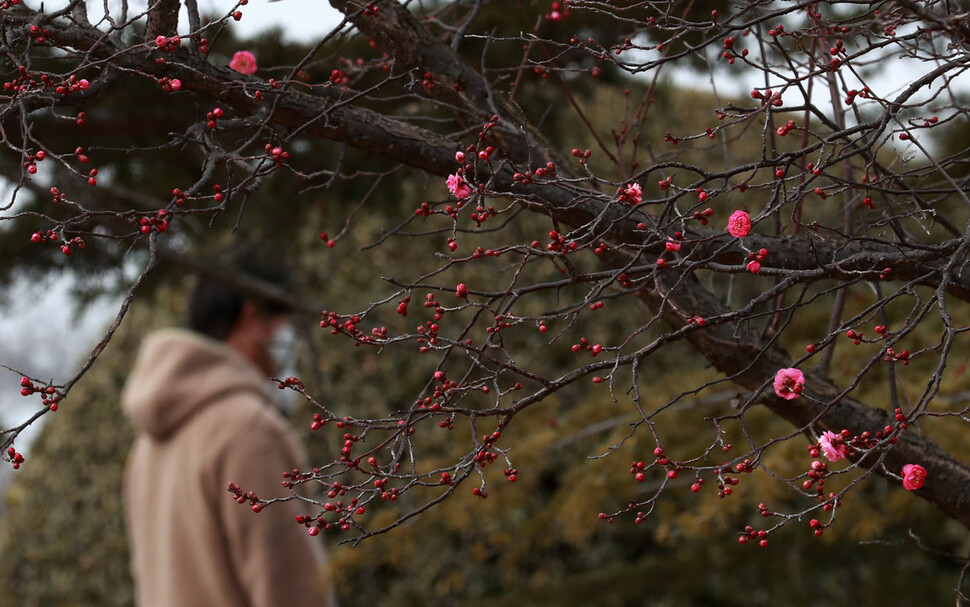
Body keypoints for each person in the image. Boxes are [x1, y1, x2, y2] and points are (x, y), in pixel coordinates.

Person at [121, 266, 336, 607]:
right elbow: (287, 585)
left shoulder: (145, 447)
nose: (290, 338)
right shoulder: (247, 427)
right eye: (286, 321)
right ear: (254, 317)